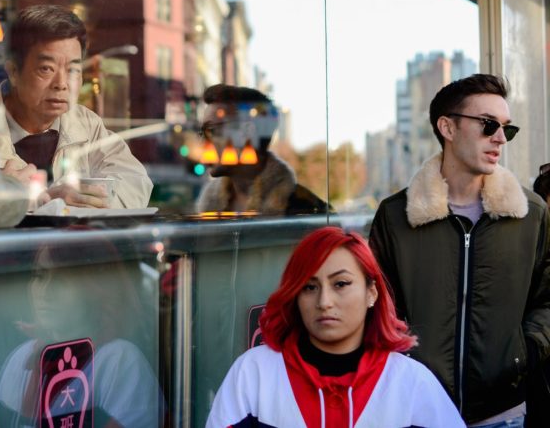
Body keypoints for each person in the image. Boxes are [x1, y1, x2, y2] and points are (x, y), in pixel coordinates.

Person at [369, 74, 550, 427]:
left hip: (504, 414)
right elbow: (377, 306)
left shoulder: (529, 214)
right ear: (447, 128)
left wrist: (524, 351)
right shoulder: (396, 216)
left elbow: (546, 299)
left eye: (507, 128)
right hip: (418, 410)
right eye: (488, 124)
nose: (500, 138)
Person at [206, 226, 463, 428]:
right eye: (309, 287)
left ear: (371, 293)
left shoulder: (412, 383)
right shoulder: (253, 373)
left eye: (341, 284)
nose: (324, 302)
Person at [0, 4, 152, 209]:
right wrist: (3, 199)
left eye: (73, 70)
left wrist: (90, 199)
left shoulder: (85, 123)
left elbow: (135, 182)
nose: (61, 84)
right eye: (46, 69)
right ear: (13, 72)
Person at [0, 230, 163, 427]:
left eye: (61, 279)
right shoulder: (21, 358)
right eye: (39, 275)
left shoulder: (119, 361)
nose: (45, 291)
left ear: (95, 290)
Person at [196, 84, 325, 216]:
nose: (203, 142)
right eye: (202, 132)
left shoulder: (306, 210)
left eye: (212, 130)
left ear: (247, 133)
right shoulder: (209, 208)